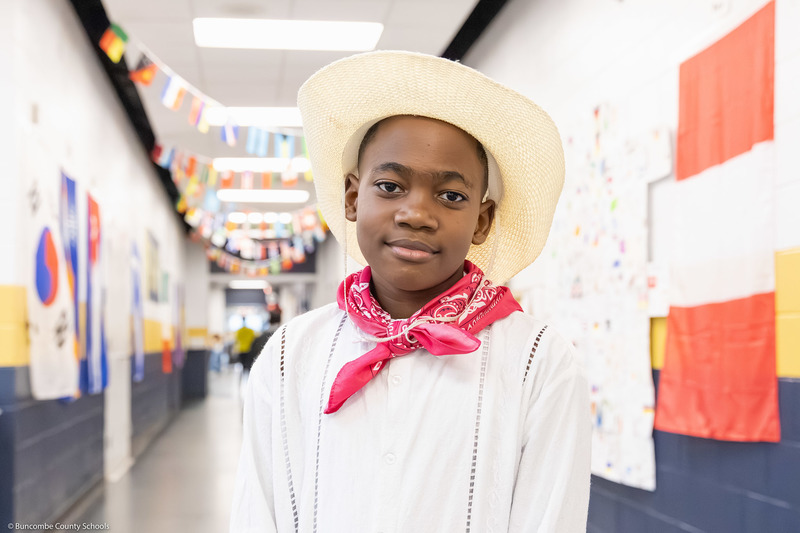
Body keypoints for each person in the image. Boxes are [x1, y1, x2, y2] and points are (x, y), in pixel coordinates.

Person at [230, 51, 590, 532]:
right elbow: (258, 513)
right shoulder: (289, 357)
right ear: (353, 198)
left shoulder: (538, 364)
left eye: (452, 196)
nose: (416, 213)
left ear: (482, 221)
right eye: (390, 185)